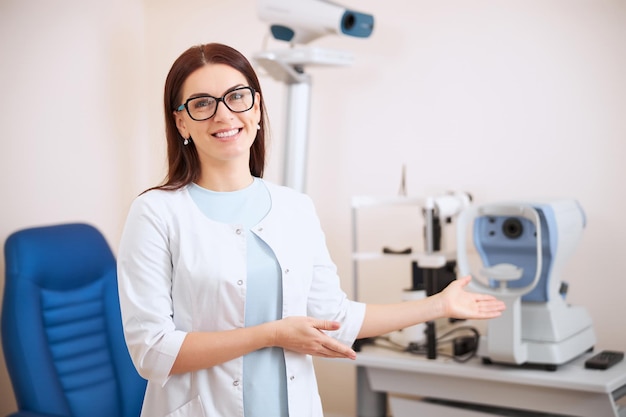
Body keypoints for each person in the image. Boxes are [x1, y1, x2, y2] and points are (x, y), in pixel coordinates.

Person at [117, 42, 505, 417]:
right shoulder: (155, 213)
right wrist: (271, 334)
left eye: (237, 96)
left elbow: (335, 317)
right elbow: (152, 352)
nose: (224, 114)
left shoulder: (294, 208)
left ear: (256, 105)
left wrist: (439, 305)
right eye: (203, 103)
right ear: (181, 120)